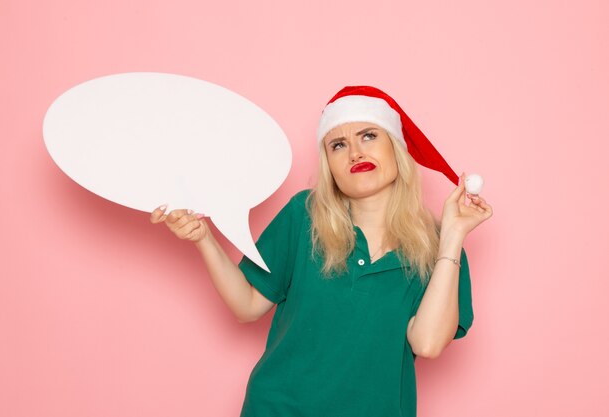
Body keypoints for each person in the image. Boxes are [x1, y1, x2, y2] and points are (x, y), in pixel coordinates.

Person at [149, 85, 493, 417]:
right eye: (338, 144)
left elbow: (428, 344)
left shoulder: (438, 244)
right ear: (329, 163)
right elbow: (248, 305)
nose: (356, 152)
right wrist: (203, 238)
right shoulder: (304, 215)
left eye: (369, 135)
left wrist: (453, 238)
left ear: (397, 148)